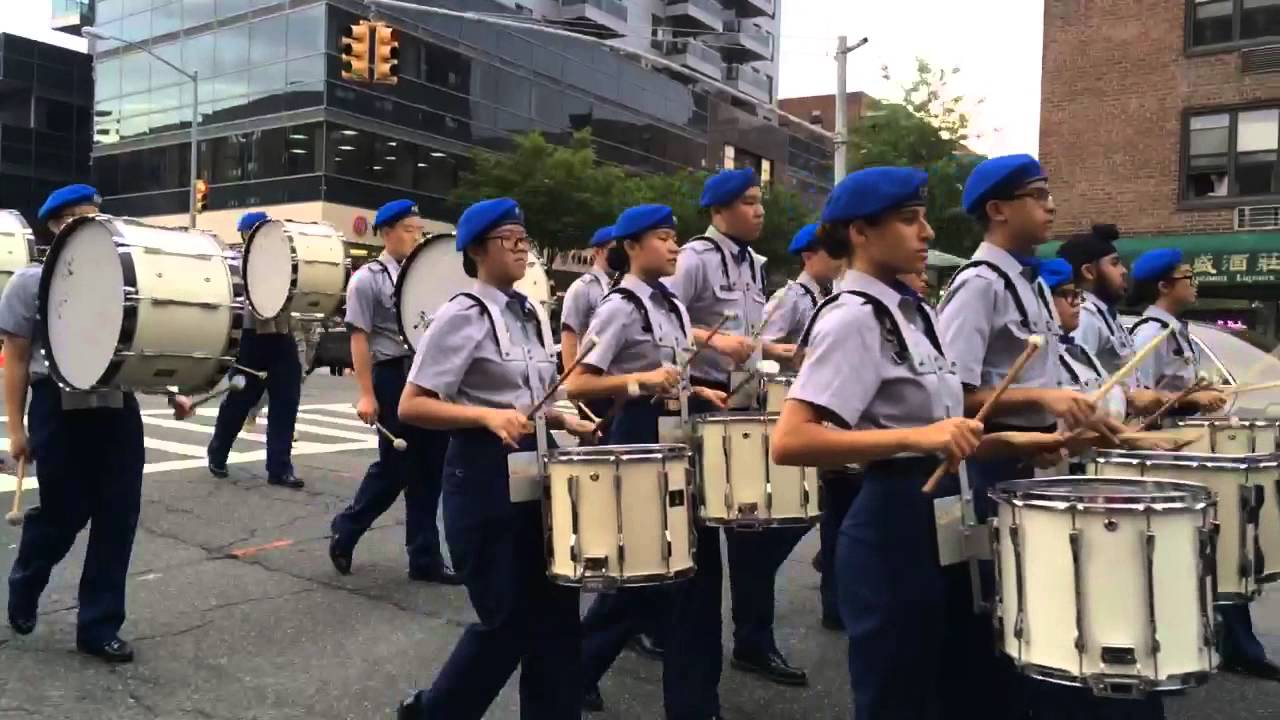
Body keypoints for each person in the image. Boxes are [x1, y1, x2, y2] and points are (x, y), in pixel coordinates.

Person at [770, 166, 1063, 719]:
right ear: (860, 232)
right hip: (892, 523)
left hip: (944, 511)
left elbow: (946, 435)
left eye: (923, 218)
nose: (926, 232)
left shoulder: (913, 313)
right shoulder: (853, 318)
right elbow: (791, 440)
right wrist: (917, 435)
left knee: (958, 682)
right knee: (898, 697)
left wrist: (1022, 441)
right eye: (909, 220)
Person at [394, 197, 596, 720]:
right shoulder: (461, 315)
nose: (522, 249)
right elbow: (412, 405)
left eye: (524, 239)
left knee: (557, 618)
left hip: (537, 476)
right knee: (507, 621)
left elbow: (534, 399)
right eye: (511, 239)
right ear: (478, 250)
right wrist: (484, 417)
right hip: (482, 480)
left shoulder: (529, 312)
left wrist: (566, 419)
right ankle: (435, 712)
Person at [4, 184, 184, 663]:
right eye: (78, 219)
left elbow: (143, 347)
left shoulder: (120, 283)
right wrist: (16, 430)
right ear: (55, 227)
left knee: (118, 517)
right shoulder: (28, 282)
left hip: (115, 410)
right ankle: (28, 574)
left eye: (96, 217)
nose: (91, 226)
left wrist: (175, 390)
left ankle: (98, 625)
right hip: (56, 408)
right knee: (65, 514)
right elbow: (16, 359)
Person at [564, 204, 728, 714]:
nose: (676, 246)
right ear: (632, 246)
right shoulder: (619, 307)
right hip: (637, 444)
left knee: (691, 578)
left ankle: (693, 702)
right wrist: (639, 382)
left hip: (678, 440)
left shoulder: (673, 306)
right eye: (664, 237)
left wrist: (697, 388)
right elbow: (577, 382)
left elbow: (669, 373)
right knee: (649, 576)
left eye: (676, 237)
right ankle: (578, 673)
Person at [663, 167, 805, 699]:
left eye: (759, 200)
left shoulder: (751, 264)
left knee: (752, 527)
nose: (759, 210)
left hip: (743, 402)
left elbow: (749, 336)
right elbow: (665, 321)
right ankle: (627, 632)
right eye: (747, 202)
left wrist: (776, 352)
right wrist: (712, 342)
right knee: (695, 543)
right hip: (700, 400)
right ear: (719, 211)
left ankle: (753, 639)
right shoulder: (697, 258)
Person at [1128, 248, 1280, 683]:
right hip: (1169, 455)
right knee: (1204, 549)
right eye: (1186, 276)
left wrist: (1201, 392)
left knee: (1223, 547)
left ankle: (1233, 644)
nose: (1194, 282)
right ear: (1163, 286)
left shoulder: (1177, 332)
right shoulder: (1148, 335)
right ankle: (1207, 645)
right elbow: (1138, 404)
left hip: (1194, 449)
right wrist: (1189, 399)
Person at [329, 200, 458, 584]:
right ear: (386, 233)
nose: (416, 236)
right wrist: (366, 394)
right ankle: (347, 528)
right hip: (392, 375)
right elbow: (359, 338)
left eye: (418, 229)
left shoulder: (427, 277)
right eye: (407, 229)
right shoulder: (368, 278)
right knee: (395, 467)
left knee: (431, 470)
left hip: (428, 377)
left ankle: (424, 558)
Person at [761, 222, 848, 633]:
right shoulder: (792, 297)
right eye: (830, 254)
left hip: (823, 405)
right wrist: (795, 354)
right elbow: (762, 345)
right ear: (808, 257)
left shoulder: (826, 296)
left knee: (832, 505)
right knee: (812, 505)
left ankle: (834, 583)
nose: (838, 261)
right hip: (792, 406)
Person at [205, 211, 305, 489]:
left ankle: (279, 468)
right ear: (246, 235)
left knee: (286, 403)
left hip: (281, 336)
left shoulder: (284, 262)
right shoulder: (235, 262)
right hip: (250, 339)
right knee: (239, 400)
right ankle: (218, 451)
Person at [1056, 224, 1167, 416]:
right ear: (1089, 271)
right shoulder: (1083, 316)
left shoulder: (1106, 314)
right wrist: (1130, 397)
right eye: (1115, 263)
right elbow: (1080, 383)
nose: (1124, 270)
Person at [559, 225, 621, 441]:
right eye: (614, 248)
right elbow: (569, 334)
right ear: (599, 251)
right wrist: (572, 384)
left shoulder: (622, 286)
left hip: (617, 381)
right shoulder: (582, 288)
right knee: (597, 440)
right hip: (593, 382)